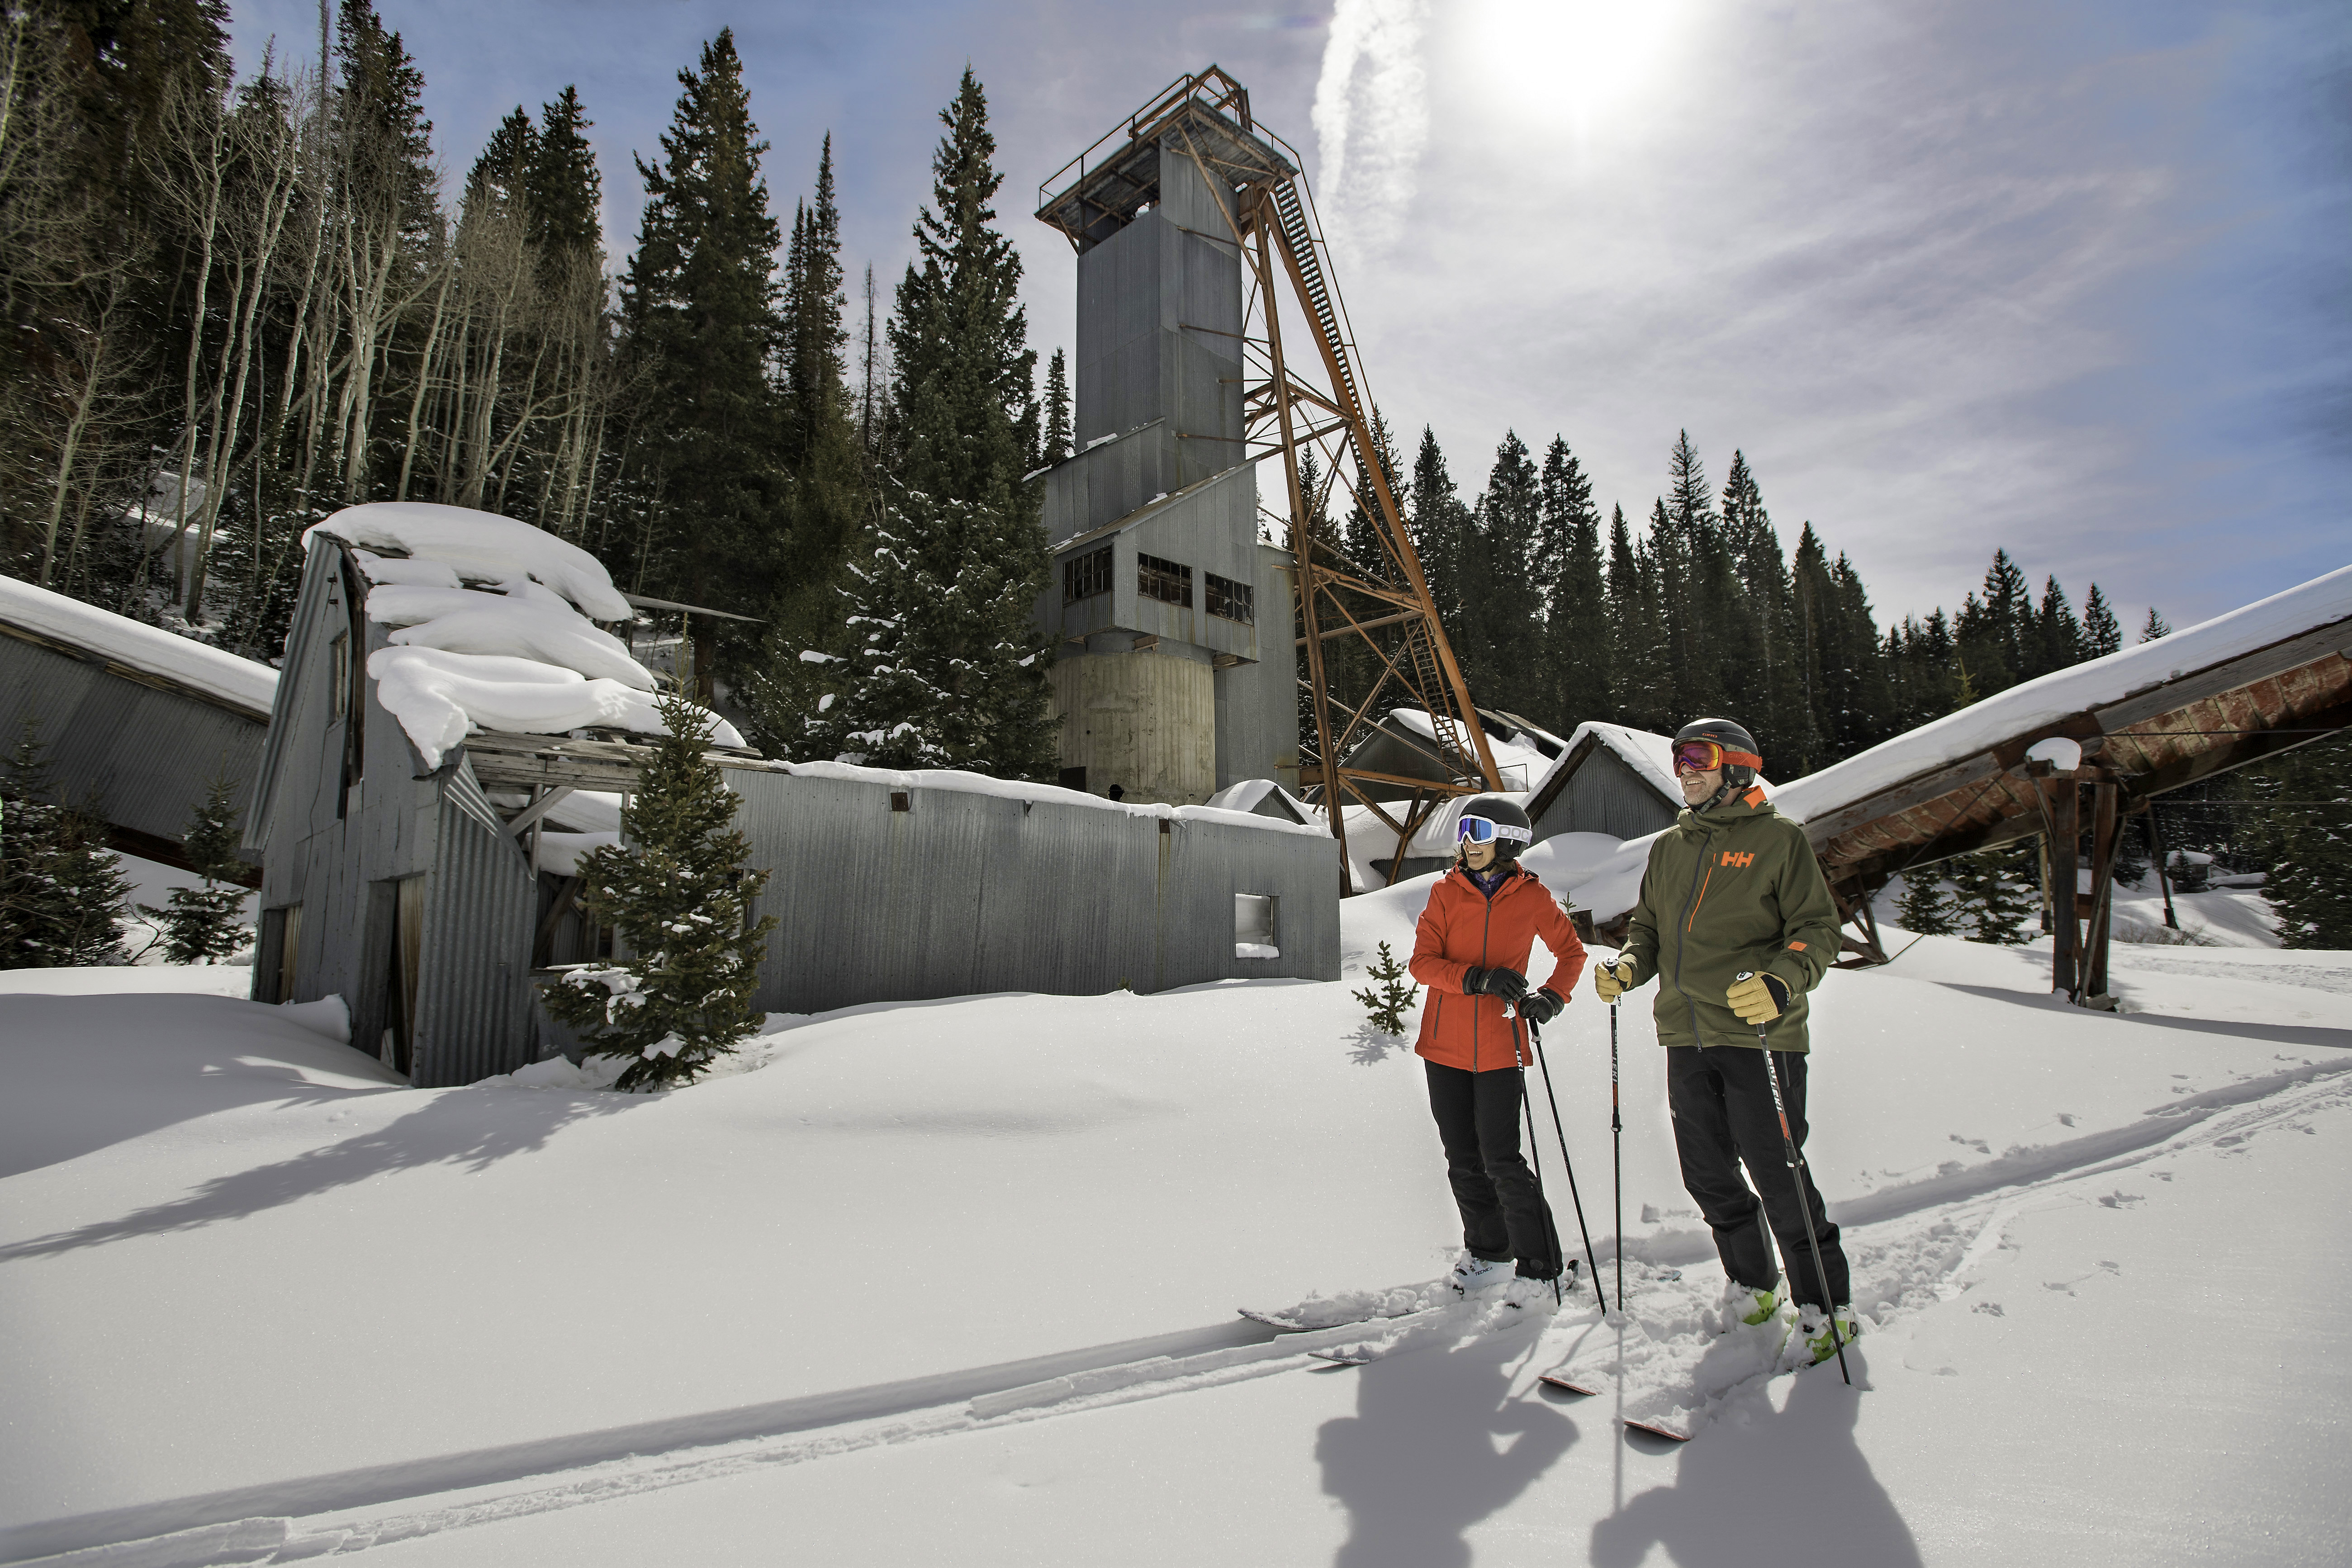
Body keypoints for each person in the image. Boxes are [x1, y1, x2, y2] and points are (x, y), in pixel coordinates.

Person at [1591, 718, 1859, 1363]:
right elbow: (1649, 929)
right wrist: (1629, 964)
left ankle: (1826, 1305)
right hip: (1686, 1032)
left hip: (1760, 1034)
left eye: (1700, 758)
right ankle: (1754, 1284)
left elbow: (1818, 930)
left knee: (1778, 1172)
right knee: (1707, 1172)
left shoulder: (1778, 840)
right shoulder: (1671, 847)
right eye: (1680, 758)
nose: (1686, 769)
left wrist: (1780, 980)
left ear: (1737, 768)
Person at [1408, 796, 1589, 1305]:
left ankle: (1543, 1267)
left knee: (1501, 1159)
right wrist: (1476, 977)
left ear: (1508, 841)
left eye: (1480, 832)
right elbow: (1422, 963)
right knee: (1463, 1158)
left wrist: (1552, 996)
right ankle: (1488, 1254)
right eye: (1464, 831)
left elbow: (1570, 952)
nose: (1468, 842)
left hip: (1499, 1046)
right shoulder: (1444, 893)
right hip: (1442, 1046)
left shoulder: (1532, 899)